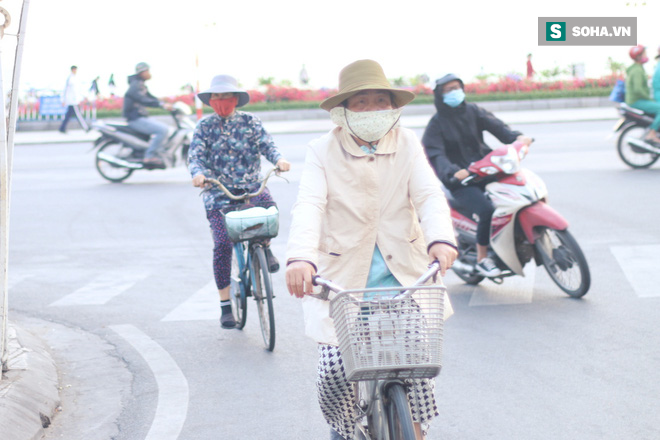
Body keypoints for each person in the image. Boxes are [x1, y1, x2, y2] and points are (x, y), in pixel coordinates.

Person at [285, 59, 458, 440]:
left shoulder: (408, 142)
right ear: (343, 112)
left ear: (392, 107)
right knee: (334, 376)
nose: (371, 110)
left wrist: (441, 238)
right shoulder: (321, 150)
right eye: (361, 103)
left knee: (418, 369)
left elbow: (428, 195)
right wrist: (300, 257)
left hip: (405, 281)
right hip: (342, 287)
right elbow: (309, 206)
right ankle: (347, 431)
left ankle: (416, 432)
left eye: (380, 101)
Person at [188, 74, 291, 329]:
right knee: (222, 243)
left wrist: (278, 161)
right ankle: (225, 305)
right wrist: (198, 175)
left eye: (227, 96)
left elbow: (268, 146)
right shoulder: (204, 127)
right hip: (218, 191)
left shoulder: (250, 122)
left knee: (269, 210)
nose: (222, 101)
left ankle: (264, 247)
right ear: (211, 100)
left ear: (236, 99)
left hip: (251, 186)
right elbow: (195, 156)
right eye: (217, 97)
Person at [421, 73, 532, 277]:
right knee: (486, 210)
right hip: (461, 180)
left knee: (516, 192)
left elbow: (497, 127)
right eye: (448, 90)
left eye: (457, 88)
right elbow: (436, 154)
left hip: (487, 169)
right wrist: (454, 172)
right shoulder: (436, 124)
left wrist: (517, 138)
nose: (454, 92)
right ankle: (483, 258)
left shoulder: (473, 111)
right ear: (439, 95)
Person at [122, 62, 173, 169]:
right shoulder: (136, 85)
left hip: (140, 116)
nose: (149, 73)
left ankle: (154, 151)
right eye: (147, 71)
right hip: (135, 118)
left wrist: (160, 101)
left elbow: (149, 97)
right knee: (162, 130)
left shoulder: (140, 84)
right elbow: (143, 99)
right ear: (142, 72)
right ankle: (149, 156)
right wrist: (160, 104)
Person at [625, 45, 660, 145]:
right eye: (644, 53)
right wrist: (649, 99)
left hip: (637, 100)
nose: (646, 55)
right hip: (636, 101)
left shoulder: (638, 68)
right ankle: (652, 133)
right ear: (638, 56)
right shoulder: (637, 70)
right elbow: (638, 89)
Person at [59, 65, 89, 133]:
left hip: (73, 100)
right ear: (72, 70)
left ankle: (62, 128)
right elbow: (66, 90)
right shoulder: (70, 79)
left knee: (68, 115)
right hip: (72, 101)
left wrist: (83, 96)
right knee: (78, 115)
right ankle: (86, 127)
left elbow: (78, 90)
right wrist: (63, 100)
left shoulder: (75, 78)